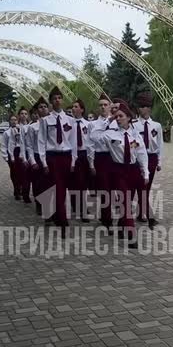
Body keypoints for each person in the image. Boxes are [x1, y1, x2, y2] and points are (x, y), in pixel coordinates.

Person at [98, 102, 148, 248]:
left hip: (133, 171)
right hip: (118, 171)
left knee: (127, 201)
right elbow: (94, 137)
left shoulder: (136, 135)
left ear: (128, 118)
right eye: (116, 116)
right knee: (125, 202)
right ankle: (132, 235)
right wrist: (108, 120)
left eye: (121, 116)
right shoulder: (110, 134)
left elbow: (142, 154)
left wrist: (145, 172)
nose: (118, 118)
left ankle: (121, 227)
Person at [38, 87, 77, 235]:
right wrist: (43, 162)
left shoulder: (70, 120)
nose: (57, 100)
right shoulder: (45, 121)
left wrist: (73, 161)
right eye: (54, 98)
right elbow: (41, 142)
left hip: (66, 156)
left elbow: (73, 142)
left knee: (63, 188)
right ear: (51, 102)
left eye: (59, 98)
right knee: (57, 188)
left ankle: (56, 215)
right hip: (52, 157)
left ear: (62, 100)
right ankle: (63, 221)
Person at [133, 94, 163, 228]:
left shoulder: (156, 126)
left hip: (151, 157)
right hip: (139, 158)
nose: (141, 109)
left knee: (147, 187)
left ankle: (141, 213)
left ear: (149, 108)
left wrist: (159, 162)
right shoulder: (134, 125)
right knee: (141, 186)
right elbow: (132, 142)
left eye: (144, 106)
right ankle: (149, 216)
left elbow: (160, 144)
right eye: (139, 106)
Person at [88, 95, 115, 231]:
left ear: (110, 106)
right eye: (101, 105)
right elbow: (90, 144)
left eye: (105, 104)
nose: (103, 107)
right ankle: (107, 219)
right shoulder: (93, 124)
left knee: (115, 189)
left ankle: (111, 215)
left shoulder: (116, 122)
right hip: (101, 157)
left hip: (114, 158)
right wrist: (91, 163)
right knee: (104, 190)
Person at [25, 96, 50, 216]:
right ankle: (39, 204)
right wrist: (33, 161)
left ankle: (50, 205)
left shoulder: (53, 123)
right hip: (37, 157)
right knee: (38, 183)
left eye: (45, 106)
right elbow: (29, 146)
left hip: (50, 156)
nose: (43, 109)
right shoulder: (32, 127)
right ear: (37, 111)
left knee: (50, 182)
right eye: (40, 107)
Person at [70, 98, 90, 221]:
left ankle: (82, 207)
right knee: (75, 183)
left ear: (82, 109)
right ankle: (78, 207)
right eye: (73, 106)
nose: (73, 108)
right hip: (72, 155)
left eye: (76, 106)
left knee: (83, 183)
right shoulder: (68, 124)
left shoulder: (88, 124)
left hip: (84, 154)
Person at [0, 114, 23, 199]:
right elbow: (3, 145)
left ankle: (21, 188)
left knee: (21, 172)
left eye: (15, 120)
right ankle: (16, 190)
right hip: (11, 154)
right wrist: (6, 157)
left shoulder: (21, 130)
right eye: (12, 120)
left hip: (20, 153)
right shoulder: (7, 133)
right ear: (9, 121)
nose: (14, 121)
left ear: (18, 121)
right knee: (14, 173)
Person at [17, 107, 31, 204]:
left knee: (30, 174)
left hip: (30, 151)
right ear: (19, 115)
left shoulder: (30, 126)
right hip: (21, 152)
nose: (24, 115)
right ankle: (24, 194)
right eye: (22, 113)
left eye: (25, 114)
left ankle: (26, 191)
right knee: (23, 175)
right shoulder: (17, 127)